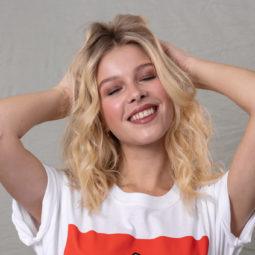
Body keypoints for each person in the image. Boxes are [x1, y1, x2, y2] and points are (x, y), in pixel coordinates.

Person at [0, 14, 255, 255]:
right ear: (99, 115)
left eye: (147, 76)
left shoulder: (215, 206)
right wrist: (65, 96)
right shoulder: (63, 200)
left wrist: (189, 68)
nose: (135, 93)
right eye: (113, 90)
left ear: (170, 86)